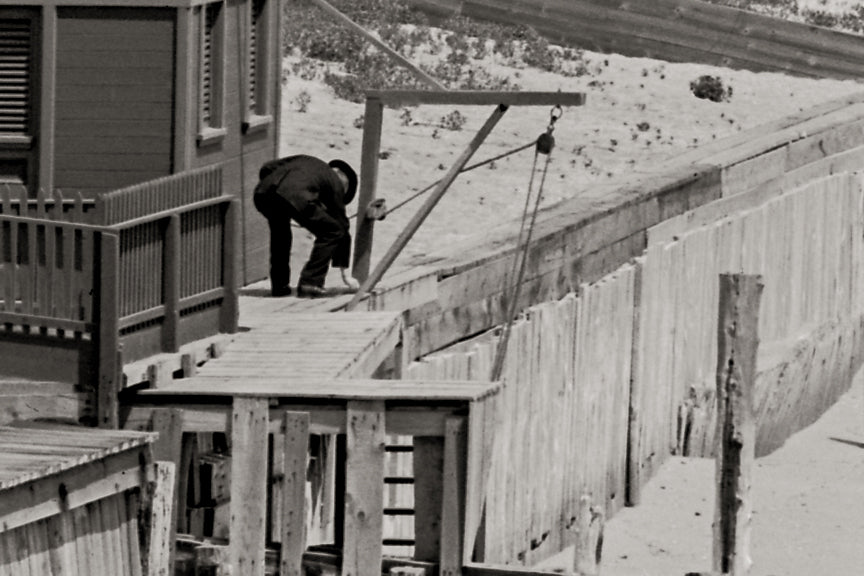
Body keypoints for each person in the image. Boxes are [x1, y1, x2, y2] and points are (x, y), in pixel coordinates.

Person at [253, 155, 361, 297]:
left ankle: (280, 286)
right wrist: (346, 276)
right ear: (344, 183)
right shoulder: (336, 184)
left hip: (263, 193)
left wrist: (273, 185)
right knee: (332, 231)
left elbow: (266, 167)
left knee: (281, 235)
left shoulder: (307, 162)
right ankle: (311, 282)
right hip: (297, 196)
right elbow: (342, 227)